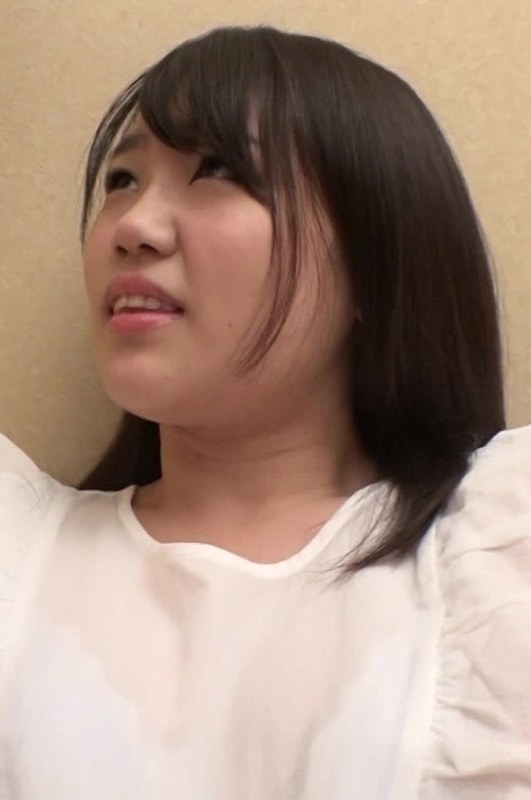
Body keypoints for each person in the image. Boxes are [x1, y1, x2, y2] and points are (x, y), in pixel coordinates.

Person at [0, 24, 529, 799]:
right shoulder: (18, 557)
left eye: (218, 170)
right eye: (121, 178)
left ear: (374, 257)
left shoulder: (498, 566)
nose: (133, 226)